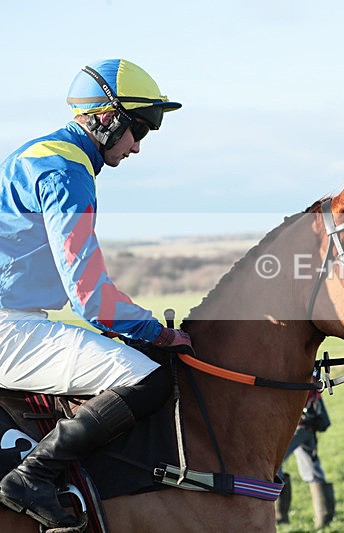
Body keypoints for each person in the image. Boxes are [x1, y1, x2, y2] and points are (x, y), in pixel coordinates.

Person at [0, 59, 191, 530]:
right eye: (139, 129)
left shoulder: (40, 153)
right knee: (149, 378)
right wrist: (154, 333)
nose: (139, 146)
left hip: (20, 317)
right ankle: (32, 476)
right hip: (10, 325)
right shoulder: (66, 170)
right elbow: (90, 297)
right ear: (107, 117)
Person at [276, 390, 336, 529]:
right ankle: (324, 519)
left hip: (298, 425)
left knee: (275, 465)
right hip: (308, 423)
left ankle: (279, 517)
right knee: (313, 470)